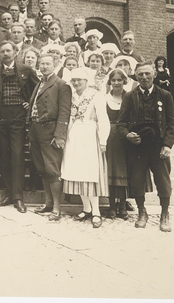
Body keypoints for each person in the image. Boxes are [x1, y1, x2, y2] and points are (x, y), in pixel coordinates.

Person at [117, 62, 174, 232]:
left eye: (147, 74)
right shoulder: (129, 96)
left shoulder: (165, 95)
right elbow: (121, 124)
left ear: (154, 75)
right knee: (136, 180)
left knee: (163, 181)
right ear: (135, 76)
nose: (144, 77)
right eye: (140, 74)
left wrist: (167, 144)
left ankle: (165, 213)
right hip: (137, 145)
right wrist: (127, 135)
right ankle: (142, 212)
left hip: (158, 145)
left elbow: (172, 123)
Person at [0, 41, 38, 213]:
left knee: (17, 155)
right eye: (2, 51)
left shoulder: (25, 70)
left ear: (15, 52)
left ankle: (18, 197)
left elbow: (37, 92)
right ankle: (9, 192)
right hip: (0, 120)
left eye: (8, 50)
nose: (6, 53)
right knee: (4, 155)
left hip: (18, 119)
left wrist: (28, 105)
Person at [61, 67, 110, 228]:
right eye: (74, 80)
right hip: (74, 135)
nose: (76, 83)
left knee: (89, 173)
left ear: (86, 81)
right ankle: (86, 208)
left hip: (90, 135)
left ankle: (96, 211)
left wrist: (103, 140)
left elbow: (103, 118)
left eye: (79, 80)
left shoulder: (96, 95)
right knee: (77, 172)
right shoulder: (71, 95)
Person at [28, 53, 71, 221]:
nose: (44, 66)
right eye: (42, 64)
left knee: (53, 170)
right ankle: (47, 203)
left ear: (55, 65)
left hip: (50, 131)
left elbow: (64, 112)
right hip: (36, 131)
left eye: (47, 64)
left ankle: (56, 208)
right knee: (42, 169)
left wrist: (59, 135)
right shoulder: (39, 83)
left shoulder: (61, 84)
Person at [105, 69, 130, 220]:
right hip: (110, 138)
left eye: (119, 80)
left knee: (124, 170)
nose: (116, 83)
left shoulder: (130, 98)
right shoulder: (105, 98)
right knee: (111, 170)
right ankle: (112, 206)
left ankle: (122, 205)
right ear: (110, 82)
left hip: (124, 137)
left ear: (124, 81)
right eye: (113, 80)